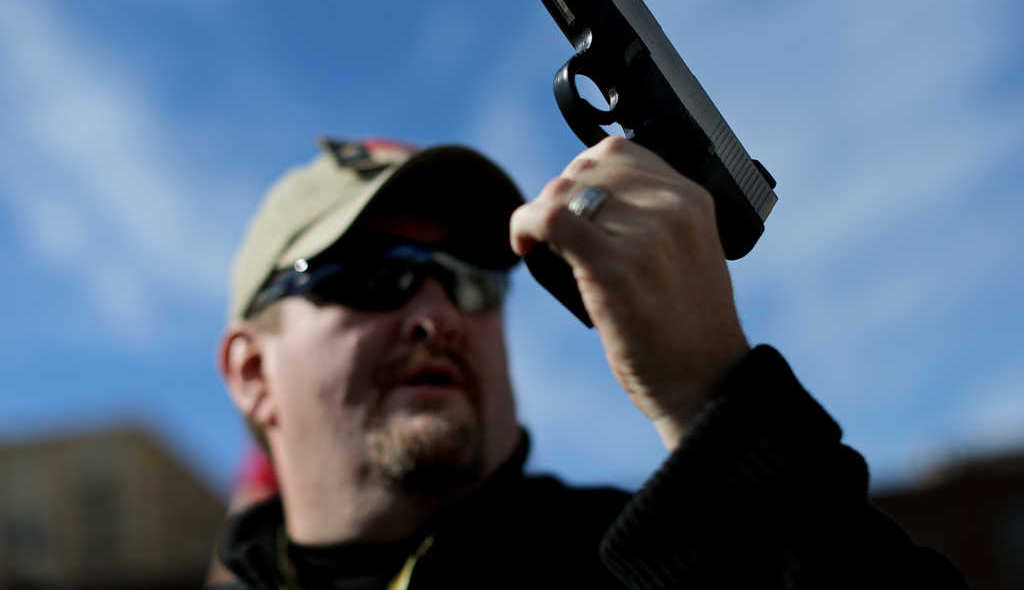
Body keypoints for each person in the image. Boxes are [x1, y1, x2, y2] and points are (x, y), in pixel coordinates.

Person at [211, 135, 965, 589]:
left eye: (472, 278)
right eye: (375, 275)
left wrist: (716, 406)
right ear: (252, 371)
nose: (438, 315)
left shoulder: (643, 566)